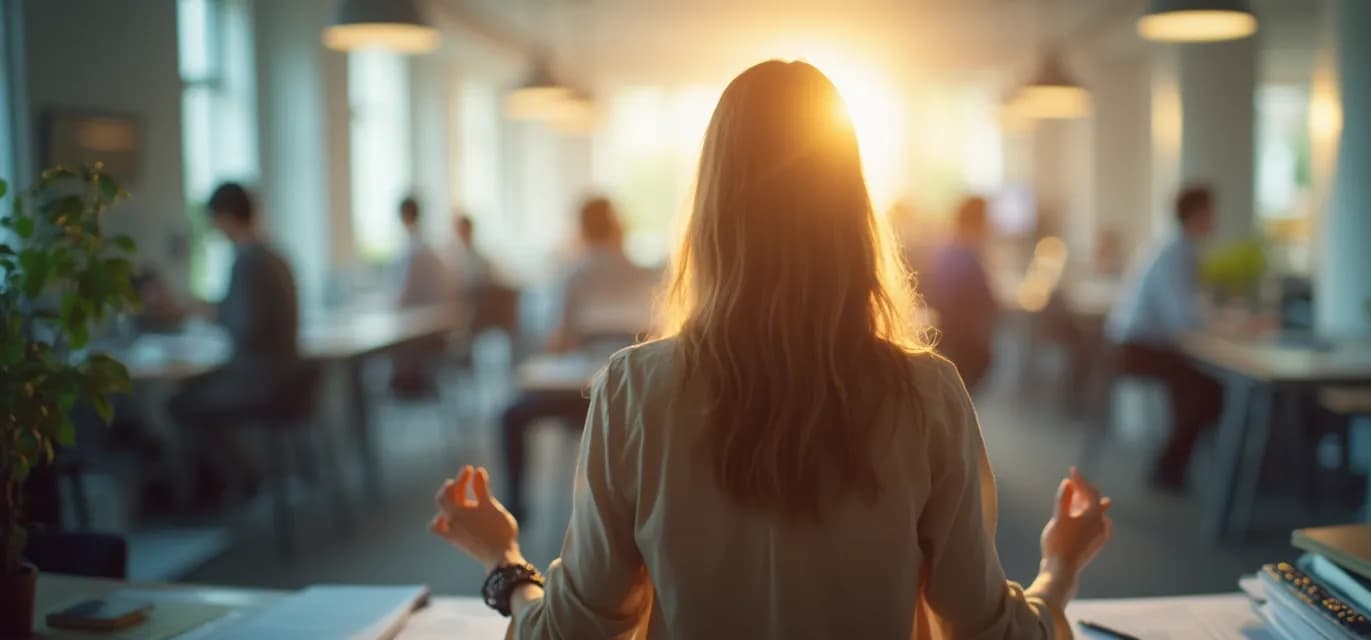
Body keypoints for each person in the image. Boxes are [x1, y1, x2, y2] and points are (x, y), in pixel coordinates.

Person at [431, 60, 1112, 639]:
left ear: (711, 210)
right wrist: (1059, 569)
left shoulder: (633, 389)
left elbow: (572, 634)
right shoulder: (927, 394)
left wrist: (505, 561)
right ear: (852, 214)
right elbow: (989, 632)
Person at [497, 197, 653, 519]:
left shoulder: (573, 274)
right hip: (633, 399)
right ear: (616, 225)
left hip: (580, 397)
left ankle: (516, 509)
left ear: (581, 229)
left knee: (510, 414)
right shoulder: (640, 272)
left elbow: (559, 341)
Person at [167, 183, 299, 501]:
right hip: (284, 378)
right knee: (196, 393)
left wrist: (204, 313)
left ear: (225, 217)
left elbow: (245, 327)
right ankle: (239, 482)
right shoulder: (274, 255)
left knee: (182, 403)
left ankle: (238, 484)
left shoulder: (247, 261)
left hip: (260, 381)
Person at [1105, 185, 1222, 490]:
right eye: (1211, 211)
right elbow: (1181, 318)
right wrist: (1228, 323)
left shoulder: (1176, 248)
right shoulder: (1175, 253)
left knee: (1200, 385)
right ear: (1197, 214)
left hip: (1141, 345)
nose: (1216, 218)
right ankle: (1168, 470)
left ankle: (1174, 467)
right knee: (1206, 388)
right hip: (1136, 349)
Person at [921, 196, 1000, 388]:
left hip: (945, 336)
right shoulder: (968, 257)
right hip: (964, 343)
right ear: (979, 222)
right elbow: (990, 303)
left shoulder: (947, 250)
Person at [391, 197, 452, 394]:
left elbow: (403, 297)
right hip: (434, 332)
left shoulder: (414, 251)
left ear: (403, 217)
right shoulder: (429, 248)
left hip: (421, 339)